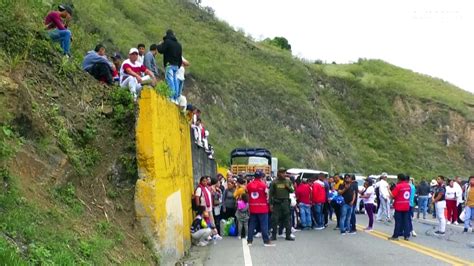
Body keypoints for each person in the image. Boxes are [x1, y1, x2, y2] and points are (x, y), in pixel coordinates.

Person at [246, 170, 275, 247]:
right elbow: (267, 196)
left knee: (251, 225)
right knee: (264, 225)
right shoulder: (263, 185)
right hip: (262, 208)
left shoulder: (249, 185)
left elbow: (247, 195)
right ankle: (266, 241)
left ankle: (249, 241)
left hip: (252, 207)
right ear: (261, 177)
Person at [157, 30, 183, 103]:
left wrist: (159, 45)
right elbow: (180, 57)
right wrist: (178, 65)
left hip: (169, 65)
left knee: (170, 80)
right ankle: (176, 98)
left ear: (167, 34)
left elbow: (161, 50)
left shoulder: (167, 42)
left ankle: (171, 97)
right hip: (176, 66)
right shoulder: (178, 45)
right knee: (175, 81)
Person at [269, 169, 295, 241]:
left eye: (284, 173)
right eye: (282, 173)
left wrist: (287, 187)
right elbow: (270, 194)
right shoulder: (274, 182)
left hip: (285, 202)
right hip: (277, 203)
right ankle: (274, 236)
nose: (284, 174)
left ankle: (288, 235)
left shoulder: (288, 181)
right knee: (274, 220)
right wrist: (270, 204)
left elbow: (292, 190)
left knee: (287, 219)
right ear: (278, 173)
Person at [388, 174, 411, 241]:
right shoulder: (408, 186)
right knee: (406, 221)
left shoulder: (398, 186)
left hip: (399, 206)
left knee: (398, 222)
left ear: (399, 179)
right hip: (406, 205)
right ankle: (406, 235)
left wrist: (388, 189)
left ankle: (395, 236)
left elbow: (392, 195)